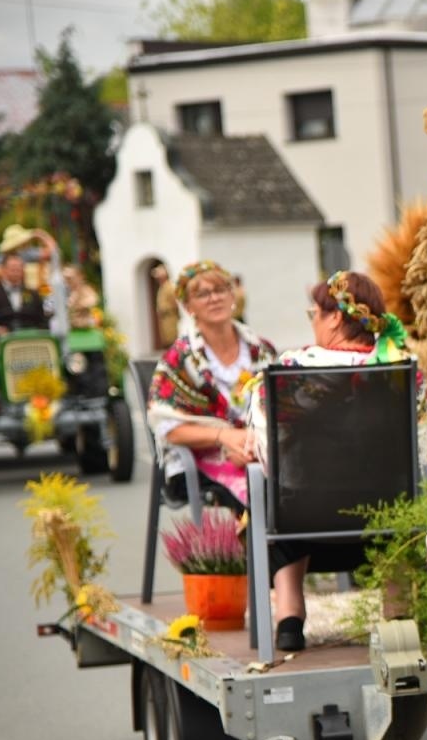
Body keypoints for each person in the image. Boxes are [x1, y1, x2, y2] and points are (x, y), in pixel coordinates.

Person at [246, 271, 408, 652]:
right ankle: (398, 613)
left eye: (314, 313)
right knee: (405, 489)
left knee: (269, 487)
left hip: (304, 517)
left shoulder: (292, 370)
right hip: (383, 515)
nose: (314, 322)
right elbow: (417, 444)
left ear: (335, 317)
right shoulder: (401, 367)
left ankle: (290, 617)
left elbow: (266, 444)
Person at [147, 261, 276, 510]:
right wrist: (224, 437)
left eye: (220, 290)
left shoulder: (261, 350)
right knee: (261, 493)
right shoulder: (179, 359)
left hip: (259, 448)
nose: (214, 298)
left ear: (232, 295)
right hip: (201, 456)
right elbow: (168, 428)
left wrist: (252, 444)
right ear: (187, 306)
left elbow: (282, 407)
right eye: (202, 294)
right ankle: (260, 549)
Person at [0, 247, 49, 343]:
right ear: (3, 270)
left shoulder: (33, 294)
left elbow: (42, 321)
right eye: (12, 269)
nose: (16, 272)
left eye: (18, 269)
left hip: (29, 342)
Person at [152, 263, 179, 352]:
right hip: (164, 317)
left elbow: (174, 302)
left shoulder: (169, 287)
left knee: (172, 338)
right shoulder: (162, 287)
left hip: (170, 316)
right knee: (167, 339)